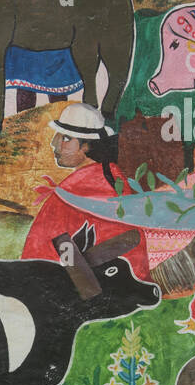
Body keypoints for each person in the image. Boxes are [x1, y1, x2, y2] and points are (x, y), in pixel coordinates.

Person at [21, 102, 151, 279]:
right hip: (126, 281)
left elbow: (40, 251)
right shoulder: (114, 178)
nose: (54, 144)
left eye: (66, 138)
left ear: (87, 146)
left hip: (95, 285)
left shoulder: (73, 191)